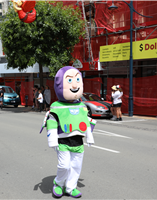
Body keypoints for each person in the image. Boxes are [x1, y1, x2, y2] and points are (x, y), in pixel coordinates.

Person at [41, 66, 96, 198]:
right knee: (64, 166)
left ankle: (71, 187)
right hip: (62, 140)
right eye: (70, 80)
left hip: (78, 141)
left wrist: (89, 137)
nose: (75, 84)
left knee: (76, 166)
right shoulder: (56, 107)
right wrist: (52, 141)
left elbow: (86, 122)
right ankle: (58, 183)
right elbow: (52, 124)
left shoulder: (82, 106)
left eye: (77, 80)